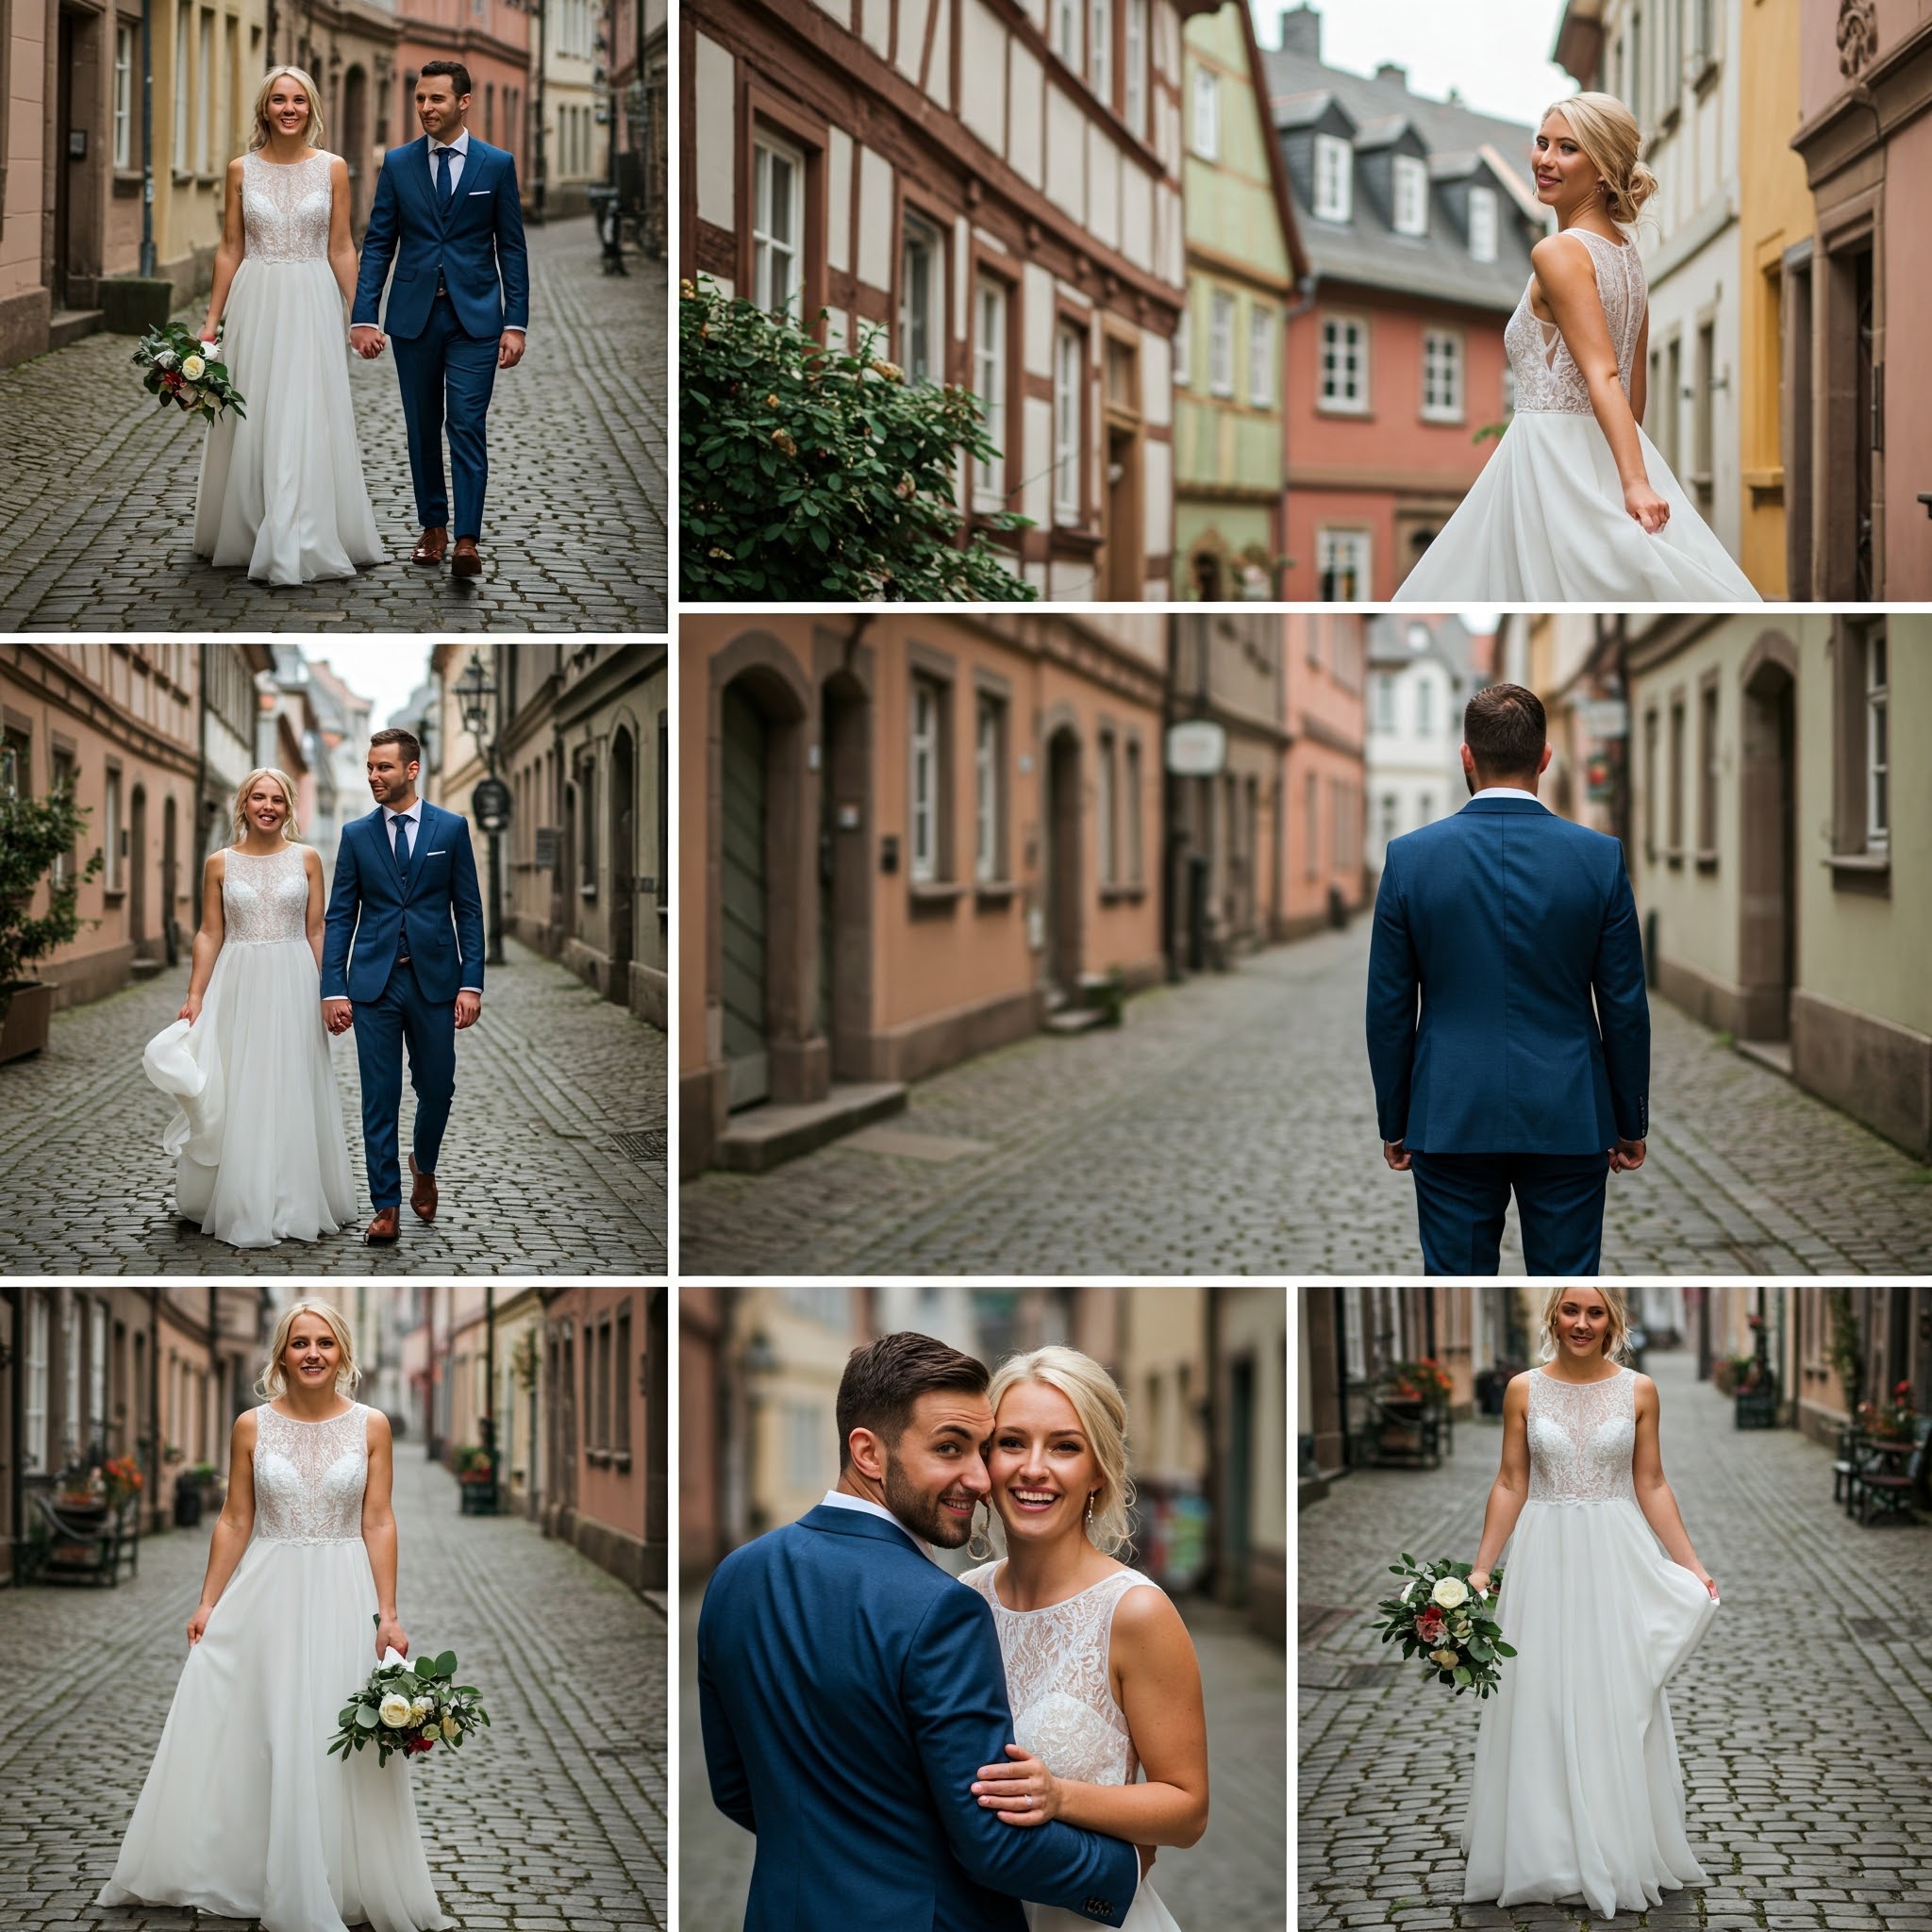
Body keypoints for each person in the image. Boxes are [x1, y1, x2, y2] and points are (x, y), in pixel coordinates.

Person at [698, 1330, 1148, 1931]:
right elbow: (991, 1844)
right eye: (949, 1449)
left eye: (983, 1448)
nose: (982, 1478)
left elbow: (735, 1788)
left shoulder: (733, 1578)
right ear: (869, 1454)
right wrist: (1118, 1869)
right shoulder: (943, 1608)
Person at [99, 1299, 451, 1932]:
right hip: (266, 1591)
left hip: (343, 1590)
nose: (311, 1353)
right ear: (281, 1355)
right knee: (265, 1727)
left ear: (341, 1352)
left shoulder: (373, 1426)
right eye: (298, 1343)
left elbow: (378, 1519)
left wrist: (388, 1614)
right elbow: (236, 1518)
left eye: (323, 1342)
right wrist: (208, 1600)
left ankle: (337, 1873)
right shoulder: (250, 1426)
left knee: (334, 1729)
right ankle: (251, 1868)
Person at [1393, 94, 1758, 602]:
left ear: (1604, 171)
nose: (1545, 160)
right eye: (1543, 143)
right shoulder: (1626, 255)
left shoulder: (1558, 252)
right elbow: (1633, 392)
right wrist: (1622, 472)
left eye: (1568, 149)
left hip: (1554, 459)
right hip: (1589, 457)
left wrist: (1631, 483)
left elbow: (1608, 375)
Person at [1364, 683, 1651, 1276]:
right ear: (1545, 757)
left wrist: (1396, 1118)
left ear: (1465, 756)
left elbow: (1390, 1004)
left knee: (1456, 1282)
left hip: (1449, 1110)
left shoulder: (1410, 858)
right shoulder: (1598, 858)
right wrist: (1629, 1121)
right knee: (1566, 1281)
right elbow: (1623, 1001)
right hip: (1570, 1110)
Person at [1461, 1288, 1719, 1918]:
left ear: (1612, 1321)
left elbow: (1651, 1481)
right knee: (1543, 1693)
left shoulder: (1639, 1391)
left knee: (1618, 1691)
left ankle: (1615, 1840)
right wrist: (1481, 1570)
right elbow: (1511, 1481)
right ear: (1554, 1316)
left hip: (1615, 1555)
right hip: (1545, 1555)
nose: (1582, 1323)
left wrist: (1692, 1563)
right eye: (1571, 1311)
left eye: (1595, 1312)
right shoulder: (1523, 1389)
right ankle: (1545, 1848)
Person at [960, 1346, 1208, 1932]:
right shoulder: (961, 1604)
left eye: (1064, 1446)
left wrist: (1060, 1798)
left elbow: (1187, 1809)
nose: (1033, 1468)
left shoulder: (1134, 1611)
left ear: (1098, 1469)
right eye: (1013, 1442)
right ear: (986, 1458)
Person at [142, 768, 356, 1247]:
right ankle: (240, 1196)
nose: (267, 806)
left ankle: (292, 1196)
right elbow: (209, 932)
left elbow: (317, 930)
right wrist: (195, 994)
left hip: (295, 978)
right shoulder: (219, 863)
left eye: (277, 799)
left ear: (288, 807)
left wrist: (332, 990)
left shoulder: (308, 859)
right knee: (240, 1081)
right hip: (237, 979)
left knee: (292, 1080)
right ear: (244, 804)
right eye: (258, 797)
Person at [193, 67, 385, 586]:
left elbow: (342, 246)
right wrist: (212, 323)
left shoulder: (333, 169)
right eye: (278, 100)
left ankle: (300, 530)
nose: (288, 108)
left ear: (311, 109)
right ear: (264, 109)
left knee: (304, 408)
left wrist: (361, 313)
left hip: (311, 298)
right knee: (255, 408)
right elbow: (231, 248)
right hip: (256, 298)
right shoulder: (240, 170)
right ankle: (253, 526)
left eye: (298, 100)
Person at [350, 60, 529, 579]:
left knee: (467, 424)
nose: (426, 108)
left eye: (437, 100)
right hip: (414, 318)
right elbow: (379, 241)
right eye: (420, 99)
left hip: (476, 319)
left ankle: (467, 540)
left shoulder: (496, 165)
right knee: (422, 427)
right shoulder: (400, 164)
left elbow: (511, 248)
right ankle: (433, 527)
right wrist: (365, 314)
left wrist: (515, 323)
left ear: (463, 102)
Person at [321, 726, 486, 1245]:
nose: (373, 775)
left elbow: (470, 911)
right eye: (369, 767)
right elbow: (341, 915)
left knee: (438, 1087)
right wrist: (333, 988)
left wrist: (471, 983)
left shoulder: (451, 829)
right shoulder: (355, 835)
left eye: (383, 767)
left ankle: (425, 1162)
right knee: (379, 1096)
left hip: (436, 982)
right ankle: (386, 1206)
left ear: (411, 770)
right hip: (374, 984)